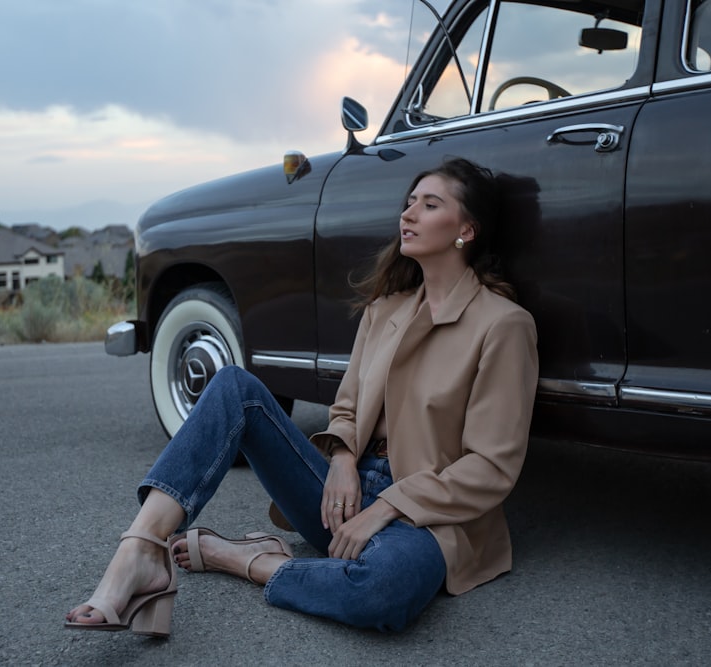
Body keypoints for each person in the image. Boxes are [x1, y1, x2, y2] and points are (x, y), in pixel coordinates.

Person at [65, 157, 539, 635]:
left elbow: (490, 466)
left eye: (430, 204)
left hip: (428, 515)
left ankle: (247, 559)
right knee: (234, 387)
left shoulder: (502, 325)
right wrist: (342, 461)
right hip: (343, 494)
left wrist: (387, 506)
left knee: (385, 589)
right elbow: (348, 407)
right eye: (409, 202)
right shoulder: (386, 309)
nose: (409, 214)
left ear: (467, 230)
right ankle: (140, 550)